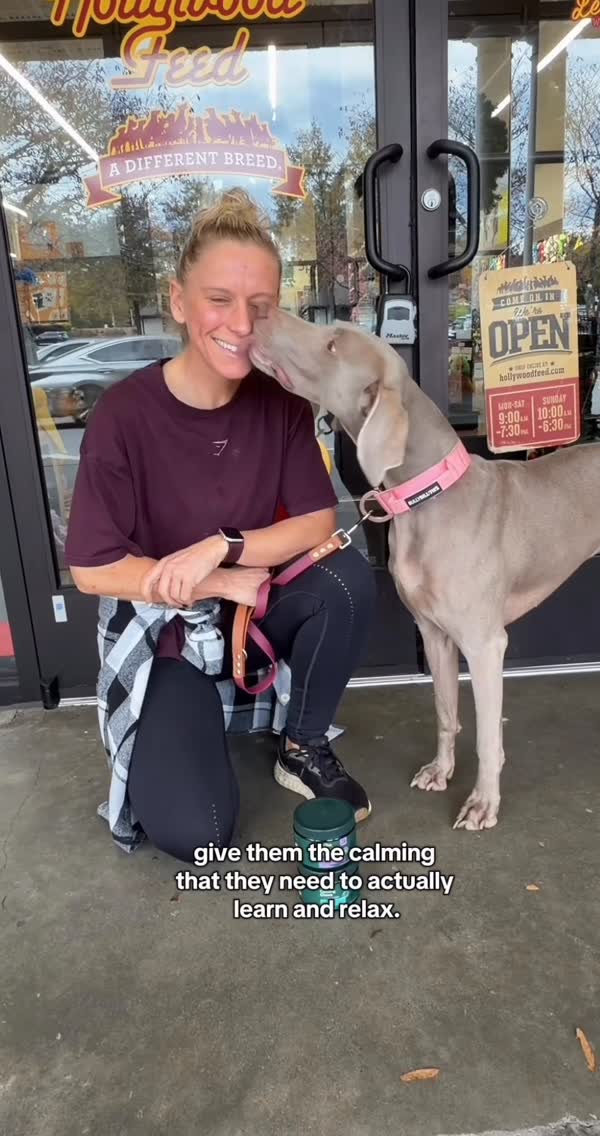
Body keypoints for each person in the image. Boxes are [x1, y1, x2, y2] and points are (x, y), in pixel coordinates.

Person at [65, 188, 376, 865]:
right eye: (219, 300)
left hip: (253, 618)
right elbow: (91, 567)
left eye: (260, 307)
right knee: (197, 831)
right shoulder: (123, 416)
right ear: (178, 302)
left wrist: (225, 549)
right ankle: (190, 723)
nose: (241, 323)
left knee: (347, 579)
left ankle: (302, 742)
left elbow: (320, 519)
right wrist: (210, 578)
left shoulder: (281, 402)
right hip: (168, 634)